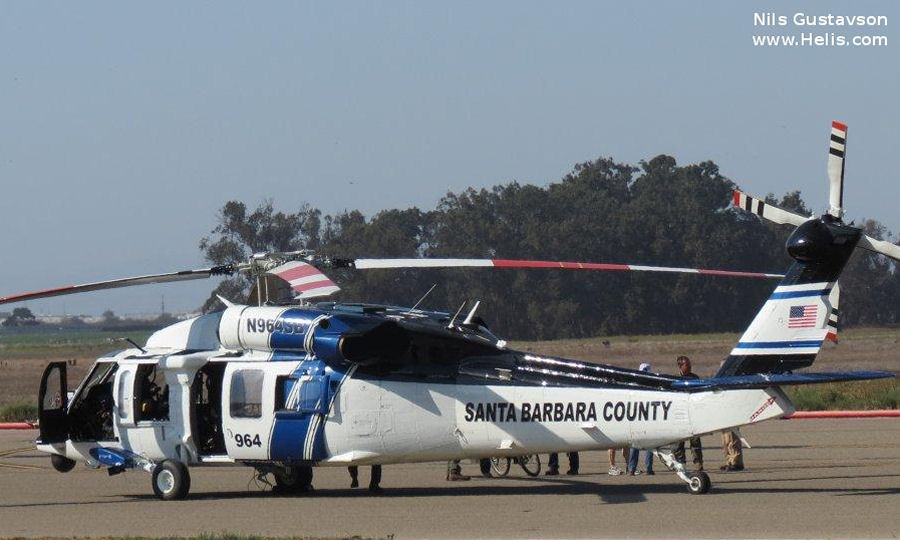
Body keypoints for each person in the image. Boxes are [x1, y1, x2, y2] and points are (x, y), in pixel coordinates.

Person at [673, 355, 703, 470]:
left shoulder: (695, 378)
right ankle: (681, 463)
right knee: (679, 442)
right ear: (680, 366)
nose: (690, 367)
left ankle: (698, 463)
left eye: (690, 365)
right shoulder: (674, 379)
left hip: (693, 413)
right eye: (687, 365)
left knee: (695, 440)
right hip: (680, 414)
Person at [627, 363, 656, 475]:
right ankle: (648, 468)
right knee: (649, 444)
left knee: (635, 444)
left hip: (636, 417)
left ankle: (631, 469)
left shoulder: (633, 384)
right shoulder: (652, 385)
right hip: (648, 417)